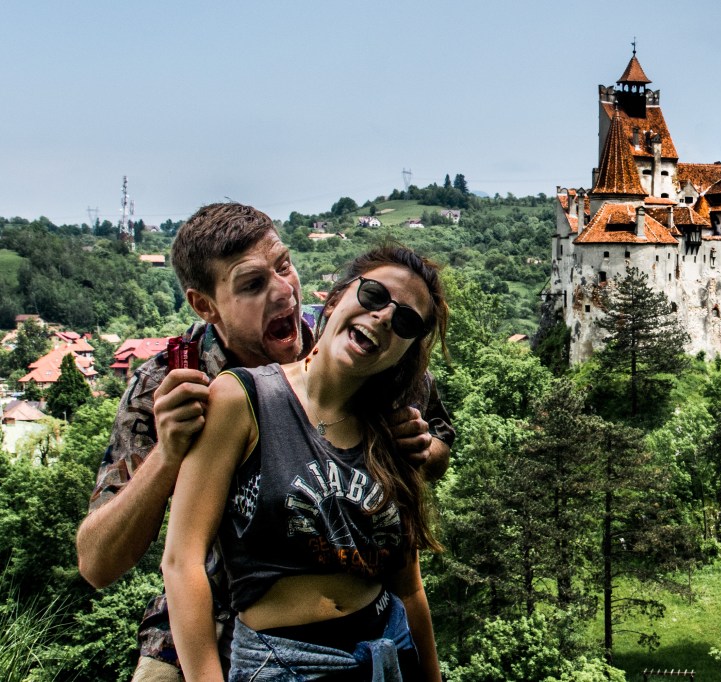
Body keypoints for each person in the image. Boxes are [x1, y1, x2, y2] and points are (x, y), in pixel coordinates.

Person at [75, 204, 453, 681]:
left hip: (361, 624)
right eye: (252, 284)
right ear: (205, 305)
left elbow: (434, 444)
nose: (284, 292)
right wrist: (168, 455)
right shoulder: (172, 382)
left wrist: (423, 448)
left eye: (284, 265)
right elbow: (97, 563)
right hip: (200, 619)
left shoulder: (356, 349)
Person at [163, 244, 446, 681]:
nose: (386, 316)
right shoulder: (243, 398)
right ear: (335, 300)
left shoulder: (389, 430)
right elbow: (182, 560)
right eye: (374, 295)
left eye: (406, 320)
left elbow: (408, 585)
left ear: (405, 349)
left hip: (388, 653)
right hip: (284, 663)